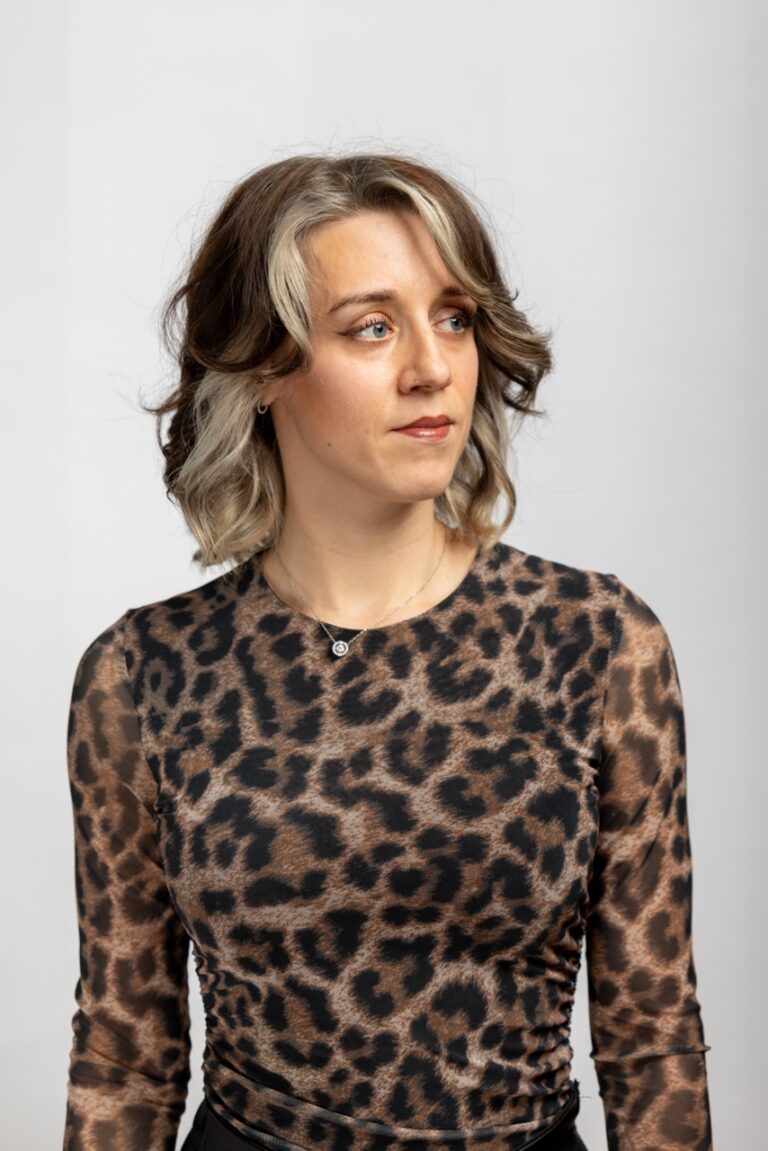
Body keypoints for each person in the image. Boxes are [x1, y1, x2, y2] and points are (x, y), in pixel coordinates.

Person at [62, 152, 712, 1151]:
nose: (432, 366)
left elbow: (652, 1037)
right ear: (263, 368)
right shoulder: (141, 674)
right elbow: (125, 1055)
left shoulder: (597, 642)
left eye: (453, 317)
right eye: (372, 327)